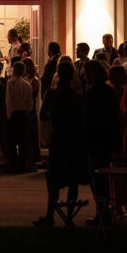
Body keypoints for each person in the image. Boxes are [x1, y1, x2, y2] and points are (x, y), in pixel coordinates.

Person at [34, 62, 87, 225]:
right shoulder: (77, 97)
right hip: (72, 137)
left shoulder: (51, 94)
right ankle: (69, 215)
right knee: (72, 178)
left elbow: (44, 114)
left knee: (54, 178)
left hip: (58, 137)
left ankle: (50, 214)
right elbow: (82, 119)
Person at [82, 60, 119, 225]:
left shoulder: (93, 93)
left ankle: (103, 213)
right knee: (101, 177)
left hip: (95, 139)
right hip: (106, 138)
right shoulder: (109, 91)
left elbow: (88, 117)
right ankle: (104, 212)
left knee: (97, 178)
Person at [4, 61, 32, 173]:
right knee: (23, 140)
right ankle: (22, 164)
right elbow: (29, 101)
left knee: (11, 140)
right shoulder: (27, 84)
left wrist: (8, 114)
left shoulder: (10, 83)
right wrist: (28, 112)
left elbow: (9, 100)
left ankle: (12, 164)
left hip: (14, 113)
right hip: (24, 113)